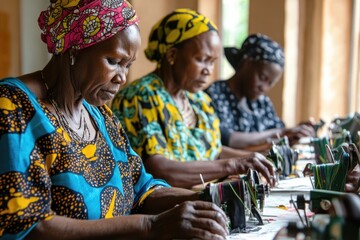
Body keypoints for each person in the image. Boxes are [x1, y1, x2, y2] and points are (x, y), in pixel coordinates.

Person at [0, 1, 230, 239]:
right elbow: (26, 225)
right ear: (74, 50)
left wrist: (209, 196)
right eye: (113, 61)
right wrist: (152, 226)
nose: (122, 78)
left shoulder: (100, 115)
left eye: (127, 66)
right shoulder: (14, 106)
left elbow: (142, 189)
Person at [111, 9, 275, 189]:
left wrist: (261, 159)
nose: (208, 70)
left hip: (206, 201)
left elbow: (213, 152)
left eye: (212, 62)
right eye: (202, 59)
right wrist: (234, 164)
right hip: (165, 208)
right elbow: (160, 170)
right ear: (172, 55)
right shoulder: (140, 97)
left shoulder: (199, 100)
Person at [205, 33, 315, 152]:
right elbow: (227, 139)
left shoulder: (262, 103)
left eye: (270, 83)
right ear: (247, 64)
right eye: (263, 78)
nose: (264, 88)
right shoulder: (214, 94)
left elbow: (279, 134)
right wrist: (280, 133)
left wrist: (295, 134)